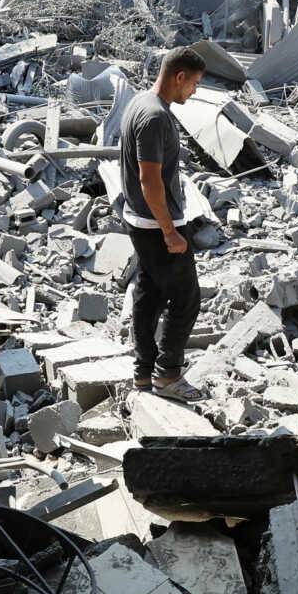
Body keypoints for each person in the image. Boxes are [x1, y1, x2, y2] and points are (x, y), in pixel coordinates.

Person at [116, 47, 208, 399]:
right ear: (179, 76)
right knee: (186, 299)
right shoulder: (155, 117)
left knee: (149, 295)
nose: (195, 91)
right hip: (156, 225)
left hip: (141, 221)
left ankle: (143, 374)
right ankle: (168, 376)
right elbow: (149, 181)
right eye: (194, 84)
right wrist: (171, 231)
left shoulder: (140, 102)